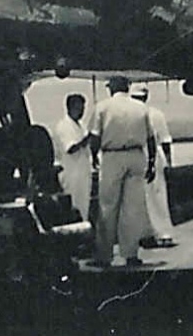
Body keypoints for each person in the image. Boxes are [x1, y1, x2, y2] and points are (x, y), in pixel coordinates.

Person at [89, 75, 156, 267]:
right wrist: (151, 162)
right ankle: (131, 254)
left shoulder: (102, 107)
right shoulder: (141, 107)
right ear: (127, 87)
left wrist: (94, 156)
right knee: (132, 208)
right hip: (136, 155)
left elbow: (95, 136)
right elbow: (151, 138)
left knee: (107, 207)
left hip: (112, 156)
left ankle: (104, 255)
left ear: (112, 88)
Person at [131, 83, 177, 249]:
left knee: (142, 198)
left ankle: (149, 234)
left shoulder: (130, 114)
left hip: (140, 155)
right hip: (155, 156)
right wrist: (169, 163)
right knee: (158, 197)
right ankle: (162, 234)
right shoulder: (156, 114)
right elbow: (165, 141)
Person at [56, 93, 93, 221]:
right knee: (74, 205)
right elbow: (71, 148)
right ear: (70, 107)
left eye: (83, 108)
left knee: (84, 205)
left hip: (83, 173)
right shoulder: (64, 126)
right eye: (79, 108)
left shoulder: (81, 126)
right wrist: (87, 139)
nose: (82, 111)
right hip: (72, 174)